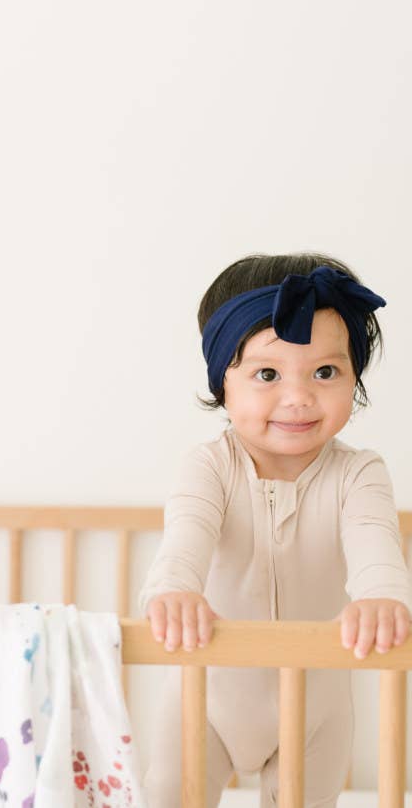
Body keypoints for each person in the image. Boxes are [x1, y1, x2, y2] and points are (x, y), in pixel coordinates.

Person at [138, 253, 412, 808]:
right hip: (204, 697)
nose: (298, 396)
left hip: (316, 710)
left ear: (353, 377)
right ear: (224, 381)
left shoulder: (359, 474)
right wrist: (174, 592)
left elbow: (375, 547)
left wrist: (382, 598)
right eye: (268, 374)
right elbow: (184, 539)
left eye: (325, 372)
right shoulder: (208, 467)